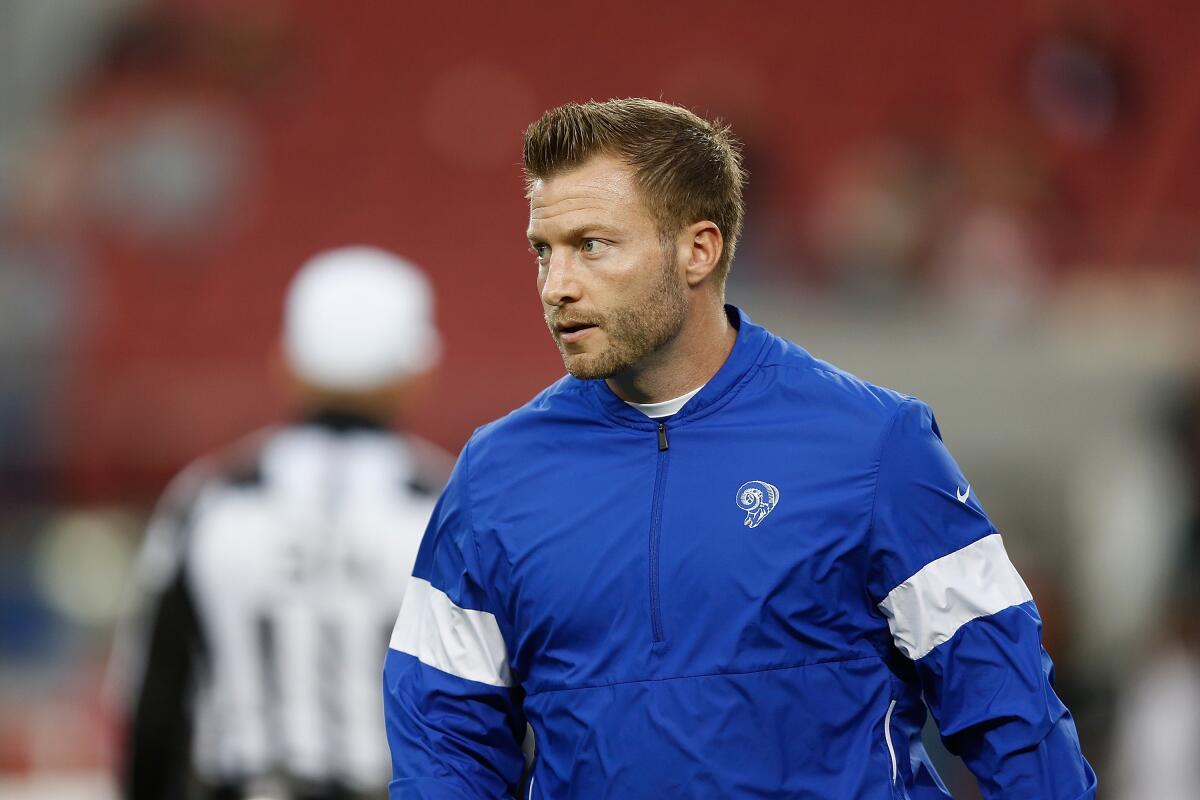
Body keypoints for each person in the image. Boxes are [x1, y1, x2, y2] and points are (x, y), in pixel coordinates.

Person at [383, 99, 1096, 799]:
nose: (557, 286)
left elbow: (1011, 709)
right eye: (545, 250)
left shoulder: (875, 445)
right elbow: (443, 738)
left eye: (592, 246)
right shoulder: (495, 474)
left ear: (698, 249)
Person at [113, 246, 449, 800]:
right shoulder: (449, 506)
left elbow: (152, 708)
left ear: (286, 363)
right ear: (416, 373)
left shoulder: (209, 500)